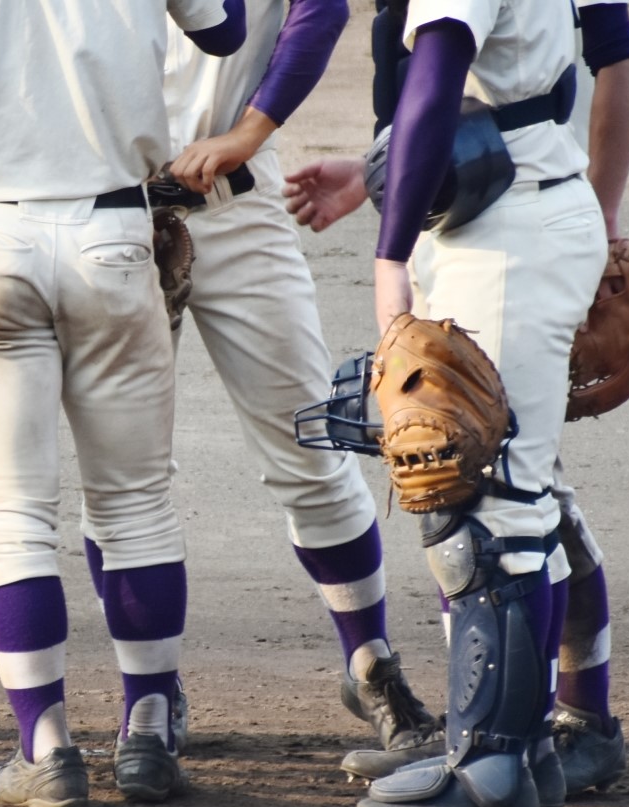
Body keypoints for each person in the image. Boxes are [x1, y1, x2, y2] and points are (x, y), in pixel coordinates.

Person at [0, 0, 247, 807]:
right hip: (111, 236)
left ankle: (45, 750)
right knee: (136, 504)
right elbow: (225, 31)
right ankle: (145, 734)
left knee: (10, 511)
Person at [284, 0, 629, 800]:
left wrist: (388, 258)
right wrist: (382, 170)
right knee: (513, 497)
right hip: (495, 201)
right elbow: (470, 89)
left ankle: (490, 766)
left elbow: (443, 73)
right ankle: (517, 753)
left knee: (487, 509)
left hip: (507, 226)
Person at [79, 0, 443, 766]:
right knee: (121, 473)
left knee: (311, 447)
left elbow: (319, 10)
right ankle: (147, 695)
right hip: (109, 217)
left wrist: (249, 130)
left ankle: (369, 663)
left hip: (240, 208)